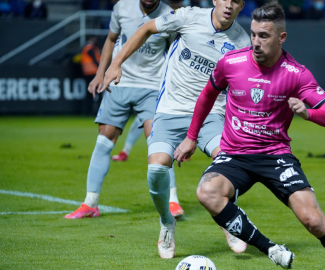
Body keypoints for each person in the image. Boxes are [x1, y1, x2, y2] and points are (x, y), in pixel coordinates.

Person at [174, 3, 325, 269]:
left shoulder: (296, 74)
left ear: (281, 37)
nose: (256, 42)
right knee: (207, 192)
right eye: (253, 34)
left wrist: (308, 113)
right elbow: (207, 95)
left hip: (275, 157)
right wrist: (191, 137)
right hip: (235, 155)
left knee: (314, 222)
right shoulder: (231, 62)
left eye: (264, 36)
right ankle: (271, 249)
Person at [100, 0, 252, 259]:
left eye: (236, 0)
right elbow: (147, 28)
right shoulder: (188, 17)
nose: (229, 5)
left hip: (210, 114)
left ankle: (229, 218)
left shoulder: (242, 42)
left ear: (242, 5)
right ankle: (166, 223)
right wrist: (116, 64)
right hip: (170, 110)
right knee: (157, 168)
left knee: (228, 162)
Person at [64, 0, 183, 220]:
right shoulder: (122, 7)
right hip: (119, 83)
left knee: (159, 142)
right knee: (104, 140)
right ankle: (90, 203)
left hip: (152, 87)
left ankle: (173, 201)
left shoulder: (169, 15)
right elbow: (110, 39)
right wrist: (101, 73)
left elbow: (176, 52)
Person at [81, 36, 102, 116]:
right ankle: (93, 111)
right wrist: (101, 68)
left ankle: (91, 111)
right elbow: (94, 59)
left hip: (90, 73)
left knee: (91, 92)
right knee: (96, 92)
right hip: (93, 73)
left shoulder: (93, 48)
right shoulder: (90, 47)